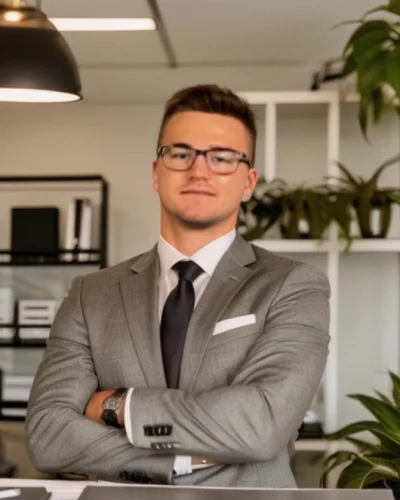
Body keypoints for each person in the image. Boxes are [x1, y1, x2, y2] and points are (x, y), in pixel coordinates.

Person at [26, 84, 330, 488]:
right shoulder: (90, 295)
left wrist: (122, 405)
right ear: (156, 173)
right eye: (181, 153)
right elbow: (48, 434)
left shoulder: (293, 285)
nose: (199, 171)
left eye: (223, 158)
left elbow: (262, 423)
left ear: (248, 182)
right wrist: (177, 462)